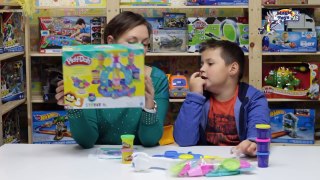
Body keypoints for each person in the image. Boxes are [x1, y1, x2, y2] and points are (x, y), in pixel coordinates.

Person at [55, 11, 169, 148]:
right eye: (132, 42)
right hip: (96, 161)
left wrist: (149, 107)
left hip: (138, 159)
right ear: (111, 41)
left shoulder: (156, 79)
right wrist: (74, 108)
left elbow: (150, 140)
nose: (141, 50)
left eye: (144, 44)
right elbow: (86, 141)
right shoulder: (91, 77)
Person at [174, 39, 270, 156]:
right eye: (201, 64)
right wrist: (194, 96)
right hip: (205, 160)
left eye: (210, 63)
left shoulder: (254, 98)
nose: (202, 69)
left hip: (240, 159)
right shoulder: (198, 97)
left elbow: (258, 125)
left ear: (233, 69)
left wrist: (252, 142)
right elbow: (184, 140)